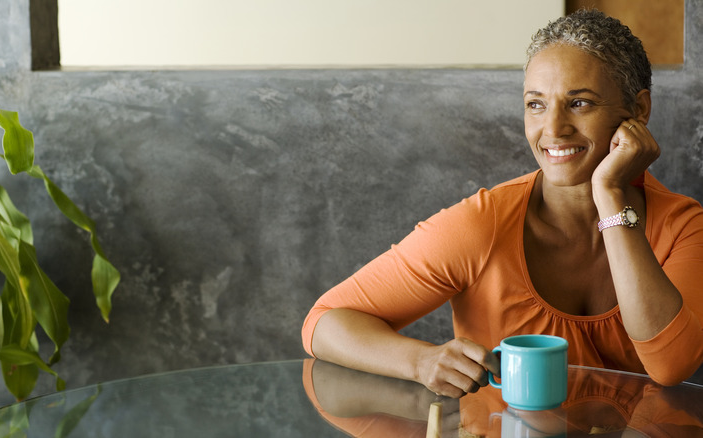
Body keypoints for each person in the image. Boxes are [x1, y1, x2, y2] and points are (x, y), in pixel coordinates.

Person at [301, 8, 703, 399]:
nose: (553, 129)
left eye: (579, 103)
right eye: (536, 104)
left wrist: (610, 194)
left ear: (639, 109)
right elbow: (323, 323)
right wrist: (420, 361)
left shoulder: (683, 226)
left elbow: (671, 365)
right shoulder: (481, 226)